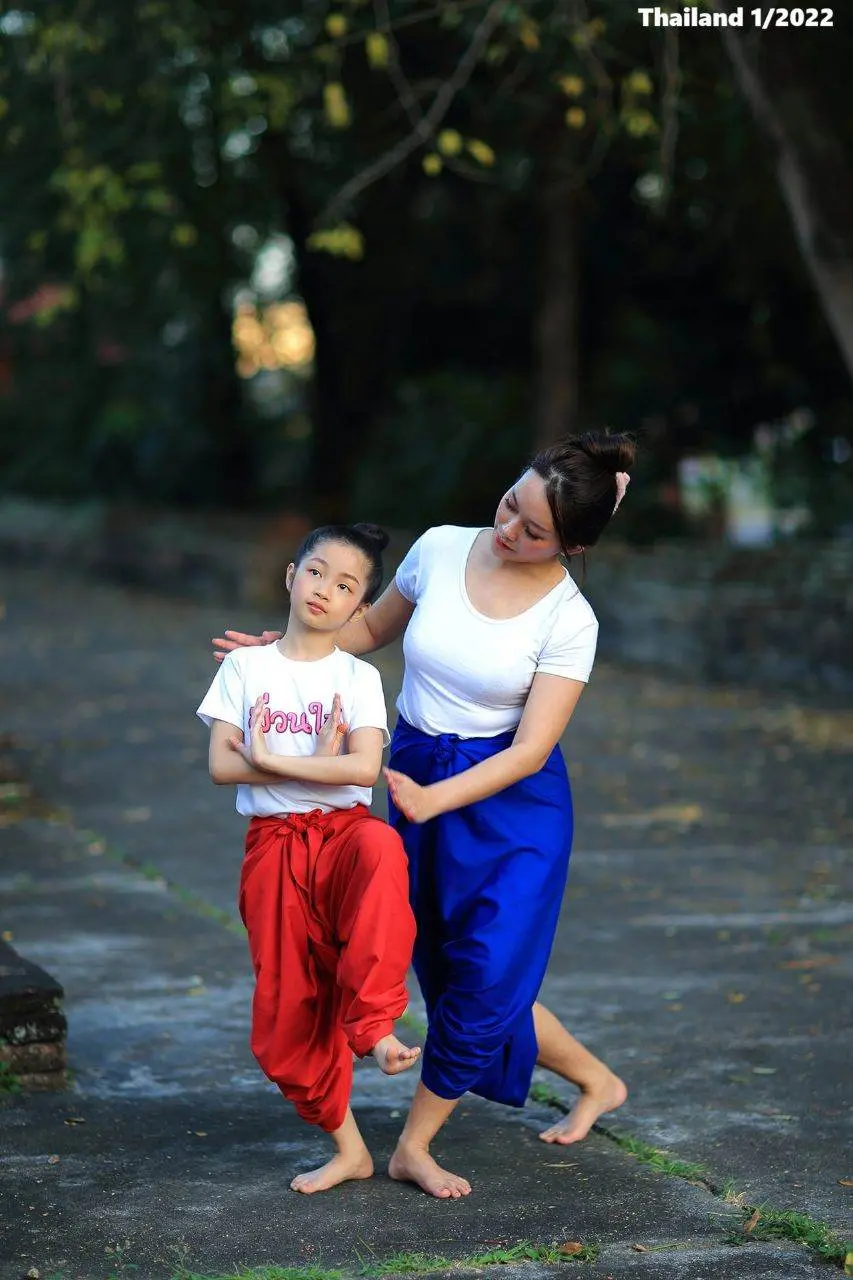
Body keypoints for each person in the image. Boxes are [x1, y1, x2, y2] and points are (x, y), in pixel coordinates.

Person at [214, 431, 633, 1199]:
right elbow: (368, 631)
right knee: (449, 969)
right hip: (416, 767)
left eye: (533, 530)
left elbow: (531, 750)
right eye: (510, 504)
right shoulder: (440, 548)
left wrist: (432, 799)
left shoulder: (571, 621)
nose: (508, 530)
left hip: (509, 802)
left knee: (488, 969)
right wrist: (279, 652)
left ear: (571, 545)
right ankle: (596, 1079)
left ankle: (413, 1143)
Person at [198, 522, 419, 1195]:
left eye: (346, 585)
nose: (326, 590)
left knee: (384, 847)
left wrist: (268, 759)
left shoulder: (357, 675)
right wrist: (310, 764)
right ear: (291, 576)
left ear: (359, 609)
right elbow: (219, 766)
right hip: (273, 851)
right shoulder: (246, 668)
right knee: (286, 1013)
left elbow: (364, 767)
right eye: (317, 572)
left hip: (344, 836)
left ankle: (376, 1024)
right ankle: (349, 1149)